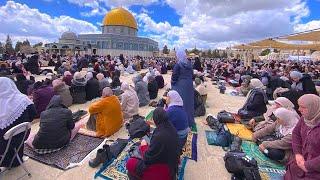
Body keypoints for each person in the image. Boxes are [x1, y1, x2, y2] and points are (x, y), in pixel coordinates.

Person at [126, 108, 179, 180]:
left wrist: (143, 146)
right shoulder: (171, 128)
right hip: (172, 166)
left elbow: (148, 158)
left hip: (164, 172)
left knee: (130, 163)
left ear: (156, 119)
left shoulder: (159, 135)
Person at [0, 77, 36, 167]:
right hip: (22, 135)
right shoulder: (23, 99)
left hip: (4, 143)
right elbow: (33, 114)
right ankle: (16, 160)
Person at [285, 94, 320, 179]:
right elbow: (296, 134)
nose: (299, 109)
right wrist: (298, 154)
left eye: (303, 107)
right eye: (299, 106)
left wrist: (308, 165)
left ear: (313, 108)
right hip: (301, 161)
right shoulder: (305, 119)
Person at [171, 49, 195, 127]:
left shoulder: (178, 65)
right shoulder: (189, 63)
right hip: (189, 85)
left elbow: (174, 77)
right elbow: (192, 75)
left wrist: (173, 85)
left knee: (180, 103)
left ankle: (181, 123)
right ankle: (189, 122)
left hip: (181, 85)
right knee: (189, 104)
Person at [166, 90, 190, 154]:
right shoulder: (179, 106)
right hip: (184, 137)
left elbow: (163, 123)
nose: (166, 98)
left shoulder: (171, 110)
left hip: (178, 139)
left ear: (171, 98)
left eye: (167, 96)